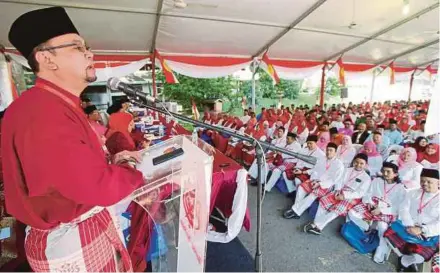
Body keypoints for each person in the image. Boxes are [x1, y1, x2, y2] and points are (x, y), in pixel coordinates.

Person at [3, 7, 144, 272]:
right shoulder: (42, 110)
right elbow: (94, 186)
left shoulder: (55, 103)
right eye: (77, 47)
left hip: (79, 230)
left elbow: (67, 172)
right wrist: (135, 171)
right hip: (70, 239)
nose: (89, 53)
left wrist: (114, 160)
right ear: (47, 59)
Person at [348, 162, 406, 264]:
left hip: (387, 211)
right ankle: (367, 230)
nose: (385, 173)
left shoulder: (400, 188)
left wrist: (381, 210)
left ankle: (380, 254)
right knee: (352, 213)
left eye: (388, 171)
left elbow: (398, 207)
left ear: (395, 174)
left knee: (382, 227)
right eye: (384, 171)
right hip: (373, 205)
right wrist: (369, 202)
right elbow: (368, 193)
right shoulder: (377, 180)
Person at [383, 169, 440, 272]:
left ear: (438, 183)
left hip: (428, 233)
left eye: (429, 182)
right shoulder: (413, 192)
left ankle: (405, 261)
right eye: (422, 181)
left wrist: (422, 229)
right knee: (388, 236)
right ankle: (402, 256)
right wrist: (410, 225)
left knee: (422, 256)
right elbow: (403, 209)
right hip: (408, 226)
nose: (424, 184)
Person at [304, 153, 371, 235]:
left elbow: (360, 193)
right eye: (356, 162)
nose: (358, 165)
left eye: (361, 163)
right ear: (353, 161)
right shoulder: (347, 170)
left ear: (365, 165)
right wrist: (337, 190)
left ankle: (317, 226)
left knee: (337, 209)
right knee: (323, 201)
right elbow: (339, 181)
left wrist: (345, 196)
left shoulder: (366, 178)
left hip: (352, 196)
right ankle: (316, 225)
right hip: (340, 190)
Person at [283, 143, 344, 220]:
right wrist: (303, 173)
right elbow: (315, 170)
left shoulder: (339, 165)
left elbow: (334, 180)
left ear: (335, 152)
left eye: (331, 150)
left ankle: (295, 211)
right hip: (316, 180)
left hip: (327, 185)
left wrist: (319, 183)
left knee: (312, 195)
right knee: (301, 188)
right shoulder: (322, 159)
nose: (328, 152)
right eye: (327, 150)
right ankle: (296, 209)